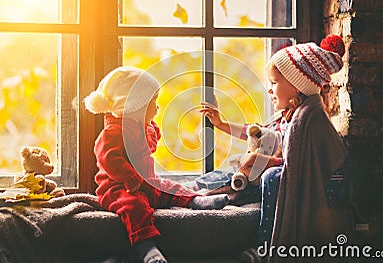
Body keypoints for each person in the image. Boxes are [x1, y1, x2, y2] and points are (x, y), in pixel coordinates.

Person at [200, 35, 354, 262]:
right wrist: (222, 125)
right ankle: (201, 192)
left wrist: (259, 161)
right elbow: (260, 132)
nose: (270, 90)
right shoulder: (291, 114)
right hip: (305, 174)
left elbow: (297, 164)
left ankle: (266, 248)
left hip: (329, 186)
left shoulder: (309, 117)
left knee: (271, 177)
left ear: (296, 84)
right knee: (242, 166)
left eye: (274, 82)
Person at [84, 66, 229, 263]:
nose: (157, 107)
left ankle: (197, 201)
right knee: (135, 206)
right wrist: (128, 177)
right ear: (134, 106)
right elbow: (107, 157)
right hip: (119, 188)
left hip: (147, 182)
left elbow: (148, 145)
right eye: (153, 102)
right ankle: (147, 248)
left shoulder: (142, 126)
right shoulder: (113, 132)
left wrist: (151, 132)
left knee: (171, 187)